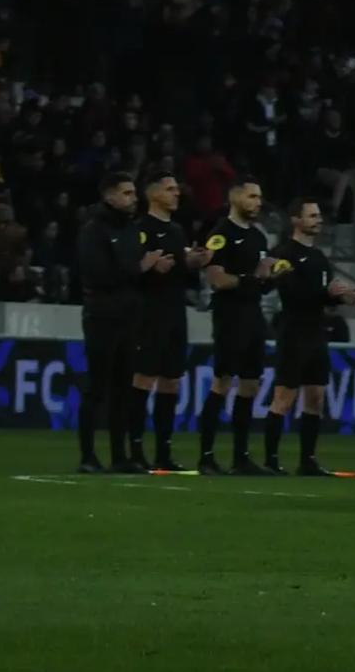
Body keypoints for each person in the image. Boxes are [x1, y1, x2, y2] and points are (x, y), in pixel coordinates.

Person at [262, 197, 355, 476]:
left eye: (318, 215)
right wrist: (327, 295)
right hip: (293, 332)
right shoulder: (284, 254)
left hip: (316, 333)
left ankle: (307, 461)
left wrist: (343, 298)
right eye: (311, 215)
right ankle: (271, 460)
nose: (318, 220)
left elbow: (323, 298)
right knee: (283, 398)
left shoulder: (320, 258)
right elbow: (292, 294)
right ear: (296, 221)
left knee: (316, 398)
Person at [194, 179, 286, 475]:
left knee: (251, 384)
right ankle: (206, 456)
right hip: (229, 315)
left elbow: (257, 284)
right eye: (252, 196)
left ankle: (240, 457)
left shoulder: (258, 238)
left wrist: (270, 279)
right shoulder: (221, 234)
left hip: (252, 315)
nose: (258, 202)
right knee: (222, 381)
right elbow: (217, 279)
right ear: (234, 198)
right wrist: (252, 279)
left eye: (259, 196)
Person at [71, 174, 145, 474]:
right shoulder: (93, 230)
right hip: (102, 317)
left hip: (128, 318)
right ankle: (87, 456)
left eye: (133, 193)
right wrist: (140, 268)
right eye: (127, 193)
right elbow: (98, 274)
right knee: (97, 388)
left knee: (123, 390)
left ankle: (119, 456)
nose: (133, 198)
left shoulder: (129, 229)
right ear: (110, 196)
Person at [128, 168, 196, 475]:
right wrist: (150, 266)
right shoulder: (140, 228)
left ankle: (163, 452)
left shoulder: (178, 231)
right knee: (143, 379)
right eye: (170, 189)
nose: (176, 193)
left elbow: (182, 274)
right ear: (153, 193)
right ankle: (136, 450)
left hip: (174, 314)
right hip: (148, 313)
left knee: (171, 382)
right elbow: (130, 272)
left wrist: (192, 262)